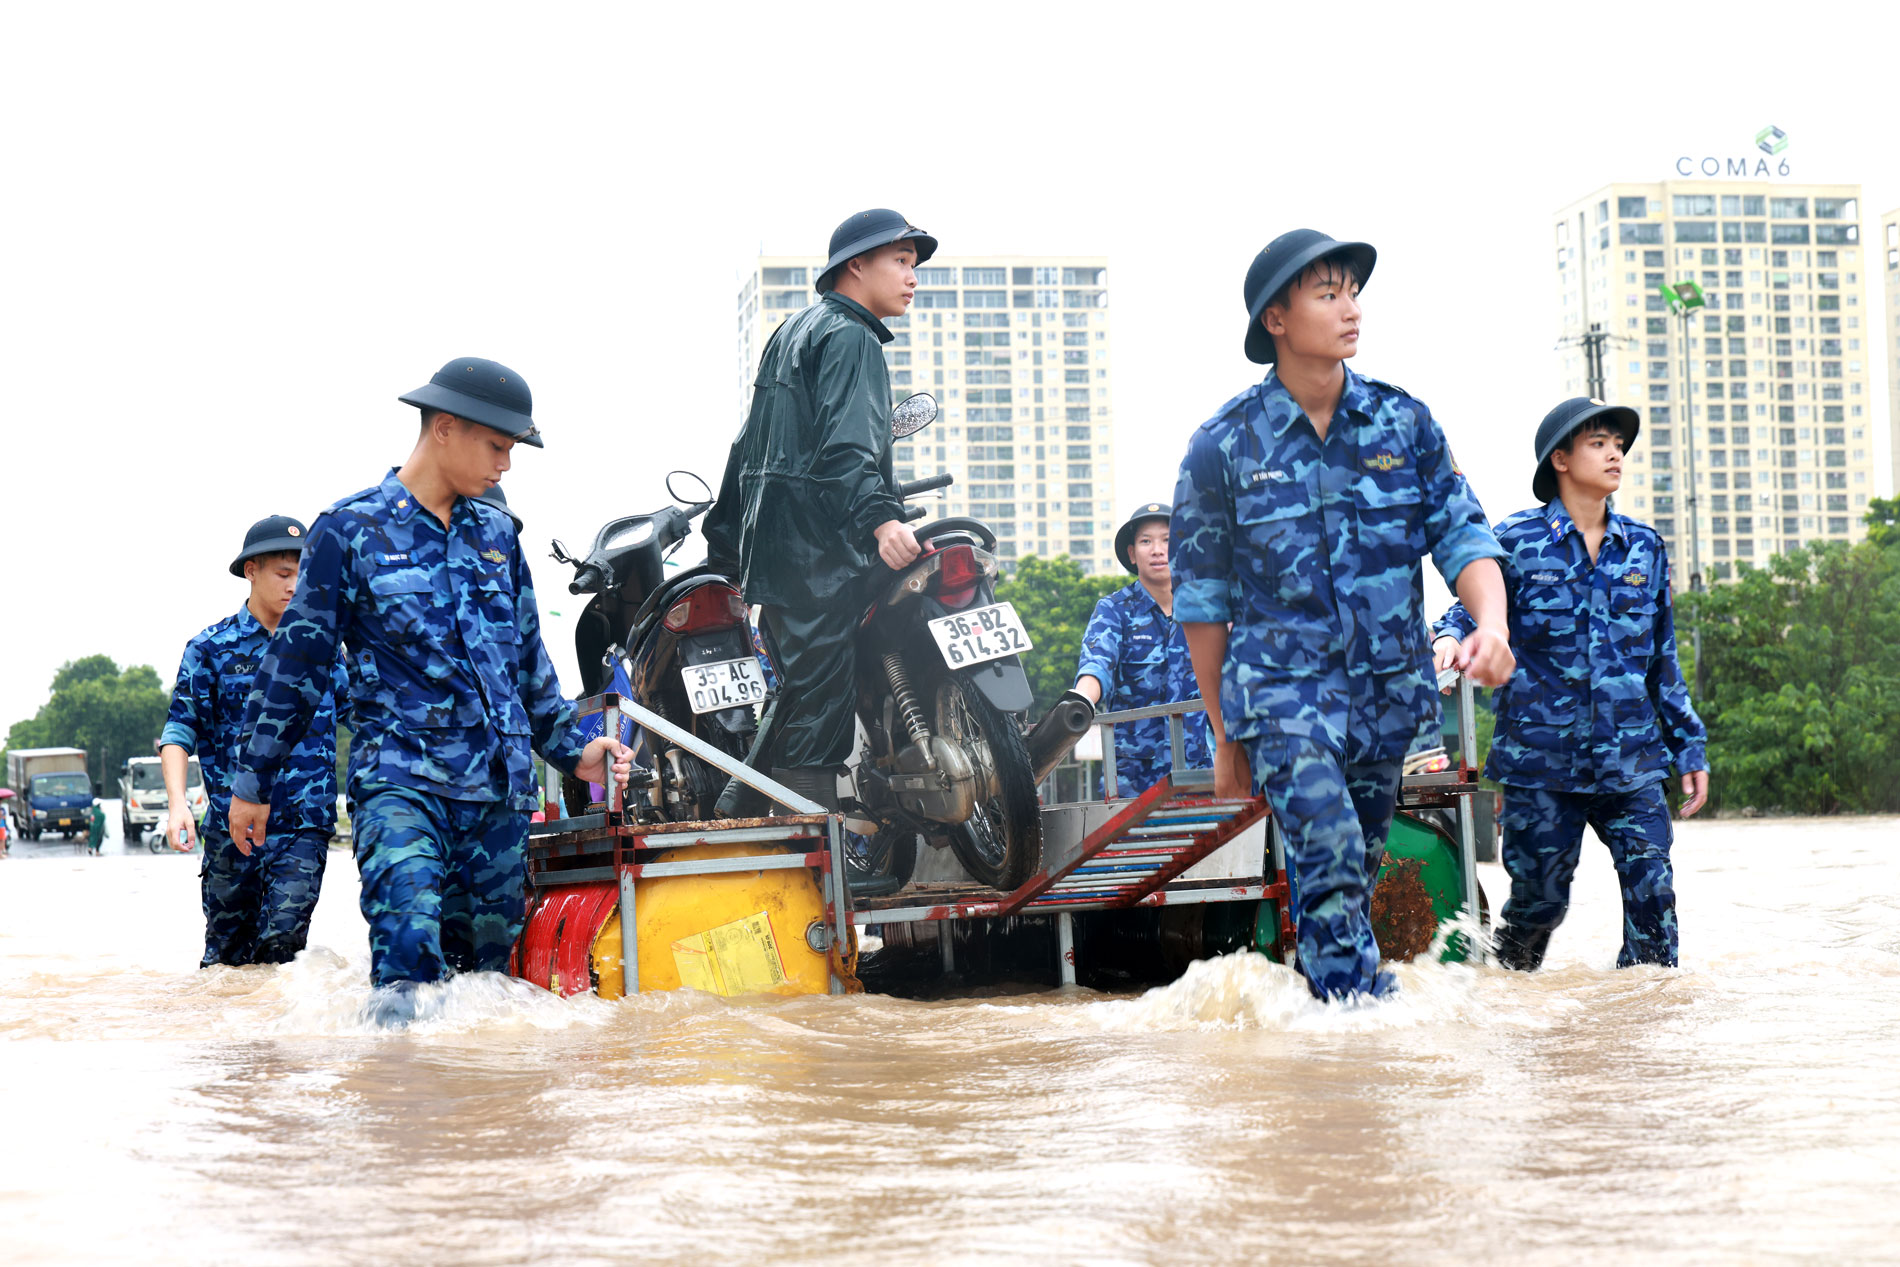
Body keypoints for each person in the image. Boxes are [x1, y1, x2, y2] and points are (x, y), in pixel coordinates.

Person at [227, 357, 634, 1021]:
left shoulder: (499, 537)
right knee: (408, 966)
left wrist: (573, 748)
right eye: (498, 446)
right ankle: (399, 1109)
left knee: (486, 990)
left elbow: (527, 661)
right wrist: (252, 784)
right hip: (402, 788)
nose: (506, 464)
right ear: (444, 428)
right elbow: (295, 667)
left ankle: (476, 1122)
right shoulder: (350, 531)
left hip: (497, 800)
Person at [1171, 228, 1515, 1002]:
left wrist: (1489, 624)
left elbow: (1463, 537)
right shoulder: (1221, 447)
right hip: (1284, 697)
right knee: (1325, 861)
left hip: (1386, 700)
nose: (1350, 308)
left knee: (1351, 875)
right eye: (1327, 293)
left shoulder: (1406, 424)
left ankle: (1320, 1046)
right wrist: (1225, 734)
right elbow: (1203, 604)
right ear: (1277, 320)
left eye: (1352, 291)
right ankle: (1360, 1035)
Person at [1431, 398, 1709, 971]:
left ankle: (1640, 1031)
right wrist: (1451, 641)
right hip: (1541, 766)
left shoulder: (1645, 548)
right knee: (1540, 906)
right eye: (1598, 443)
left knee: (1654, 892)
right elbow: (1469, 609)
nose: (1614, 454)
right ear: (1560, 458)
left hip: (1631, 761)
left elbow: (1663, 660)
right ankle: (1505, 1004)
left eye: (1618, 445)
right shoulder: (1516, 540)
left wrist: (1689, 744)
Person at [705, 208, 937, 814]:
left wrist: (725, 543)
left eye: (914, 265)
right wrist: (881, 519)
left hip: (781, 556)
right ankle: (813, 849)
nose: (913, 278)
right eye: (901, 262)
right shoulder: (851, 337)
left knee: (803, 692)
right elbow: (849, 445)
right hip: (821, 556)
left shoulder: (791, 332)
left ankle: (736, 811)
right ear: (855, 266)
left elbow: (749, 445)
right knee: (817, 707)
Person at [160, 515, 345, 965]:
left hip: (304, 824)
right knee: (226, 963)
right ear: (251, 571)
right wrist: (178, 803)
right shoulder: (211, 649)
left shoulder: (323, 650)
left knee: (282, 949)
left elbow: (371, 718)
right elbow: (179, 730)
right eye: (284, 573)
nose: (294, 585)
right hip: (232, 830)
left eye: (303, 574)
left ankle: (277, 1037)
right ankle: (236, 1039)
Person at [1074, 502, 1212, 796]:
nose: (1158, 550)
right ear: (1132, 553)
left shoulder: (1207, 610)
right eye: (1146, 541)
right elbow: (1097, 663)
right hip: (1131, 781)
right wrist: (1080, 702)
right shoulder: (1113, 610)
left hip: (1201, 771)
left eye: (1167, 539)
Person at [87, 789, 106, 856]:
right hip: (98, 827)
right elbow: (103, 817)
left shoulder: (93, 811)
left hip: (92, 827)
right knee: (99, 839)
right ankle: (97, 851)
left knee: (92, 838)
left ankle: (90, 848)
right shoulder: (98, 812)